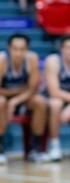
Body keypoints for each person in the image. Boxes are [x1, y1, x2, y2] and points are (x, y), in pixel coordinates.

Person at [0, 34, 49, 163]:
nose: (18, 53)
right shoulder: (2, 60)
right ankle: (1, 149)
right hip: (4, 99)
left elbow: (32, 88)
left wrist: (15, 100)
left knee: (40, 102)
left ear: (27, 49)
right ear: (9, 48)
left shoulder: (32, 59)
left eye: (22, 49)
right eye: (15, 49)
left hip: (24, 99)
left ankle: (35, 149)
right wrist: (15, 92)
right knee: (1, 102)